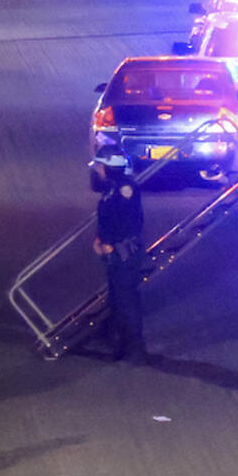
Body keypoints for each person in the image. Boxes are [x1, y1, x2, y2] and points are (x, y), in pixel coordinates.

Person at [90, 146, 147, 364]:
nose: (98, 169)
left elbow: (127, 223)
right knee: (117, 298)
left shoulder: (124, 190)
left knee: (127, 300)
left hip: (124, 254)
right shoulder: (114, 188)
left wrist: (110, 244)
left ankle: (135, 348)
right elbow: (106, 219)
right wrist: (99, 239)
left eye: (100, 165)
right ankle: (118, 339)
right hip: (115, 253)